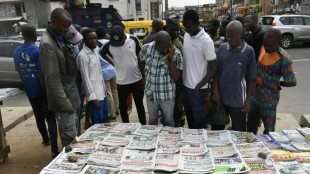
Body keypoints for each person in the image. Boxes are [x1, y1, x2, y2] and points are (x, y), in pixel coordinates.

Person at [13, 24, 59, 157]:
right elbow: (41, 73)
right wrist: (47, 91)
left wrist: (28, 85)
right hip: (42, 90)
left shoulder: (16, 52)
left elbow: (20, 72)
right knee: (50, 117)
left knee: (38, 116)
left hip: (30, 90)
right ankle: (54, 150)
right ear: (34, 34)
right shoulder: (37, 51)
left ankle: (45, 140)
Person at [39, 8, 80, 148]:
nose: (68, 29)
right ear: (53, 22)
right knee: (69, 139)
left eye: (69, 26)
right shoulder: (47, 44)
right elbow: (52, 80)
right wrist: (65, 104)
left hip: (70, 95)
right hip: (64, 102)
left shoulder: (60, 36)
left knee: (74, 134)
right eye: (64, 26)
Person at [247, 28, 297, 134]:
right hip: (255, 96)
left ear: (279, 43)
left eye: (270, 46)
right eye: (265, 45)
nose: (267, 48)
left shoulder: (284, 59)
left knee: (269, 129)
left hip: (269, 100)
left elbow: (292, 82)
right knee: (251, 124)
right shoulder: (263, 48)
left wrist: (276, 83)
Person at [212, 21, 257, 131]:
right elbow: (216, 71)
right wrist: (216, 91)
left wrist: (247, 100)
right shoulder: (222, 48)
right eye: (228, 36)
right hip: (221, 98)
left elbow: (251, 78)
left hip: (238, 100)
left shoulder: (248, 51)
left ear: (241, 34)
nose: (229, 39)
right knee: (217, 129)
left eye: (232, 36)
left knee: (239, 131)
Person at [100, 25, 146, 125]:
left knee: (139, 105)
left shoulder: (133, 39)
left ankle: (143, 126)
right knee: (122, 107)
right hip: (121, 82)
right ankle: (126, 125)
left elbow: (141, 58)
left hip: (136, 79)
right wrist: (112, 62)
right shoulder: (109, 45)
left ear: (124, 36)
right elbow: (101, 52)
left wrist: (143, 77)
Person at [139, 31, 183, 127]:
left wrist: (171, 58)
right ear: (156, 43)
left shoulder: (176, 53)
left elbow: (176, 77)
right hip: (151, 92)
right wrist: (143, 77)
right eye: (161, 48)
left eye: (166, 47)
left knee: (168, 121)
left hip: (166, 94)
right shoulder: (146, 48)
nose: (164, 50)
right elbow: (141, 60)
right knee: (152, 121)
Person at [182, 10, 217, 129]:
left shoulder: (206, 41)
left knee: (199, 120)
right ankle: (193, 146)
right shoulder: (187, 35)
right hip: (186, 87)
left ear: (197, 23)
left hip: (197, 89)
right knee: (190, 118)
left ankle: (202, 144)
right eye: (184, 26)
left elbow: (213, 68)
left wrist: (200, 85)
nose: (186, 29)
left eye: (189, 26)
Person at [78, 28, 108, 124]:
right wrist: (93, 99)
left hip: (102, 93)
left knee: (104, 123)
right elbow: (86, 79)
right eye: (91, 39)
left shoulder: (95, 51)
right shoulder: (83, 56)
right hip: (95, 96)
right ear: (84, 40)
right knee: (98, 125)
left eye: (95, 38)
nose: (94, 40)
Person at [166, 13, 185, 127]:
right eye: (172, 30)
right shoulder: (162, 40)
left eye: (177, 30)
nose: (175, 32)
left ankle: (178, 120)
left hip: (180, 78)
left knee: (179, 102)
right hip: (166, 79)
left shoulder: (182, 40)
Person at [96, 26, 119, 121]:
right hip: (113, 69)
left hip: (104, 72)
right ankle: (117, 109)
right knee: (115, 91)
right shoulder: (110, 43)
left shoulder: (95, 46)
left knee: (108, 93)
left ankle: (112, 113)